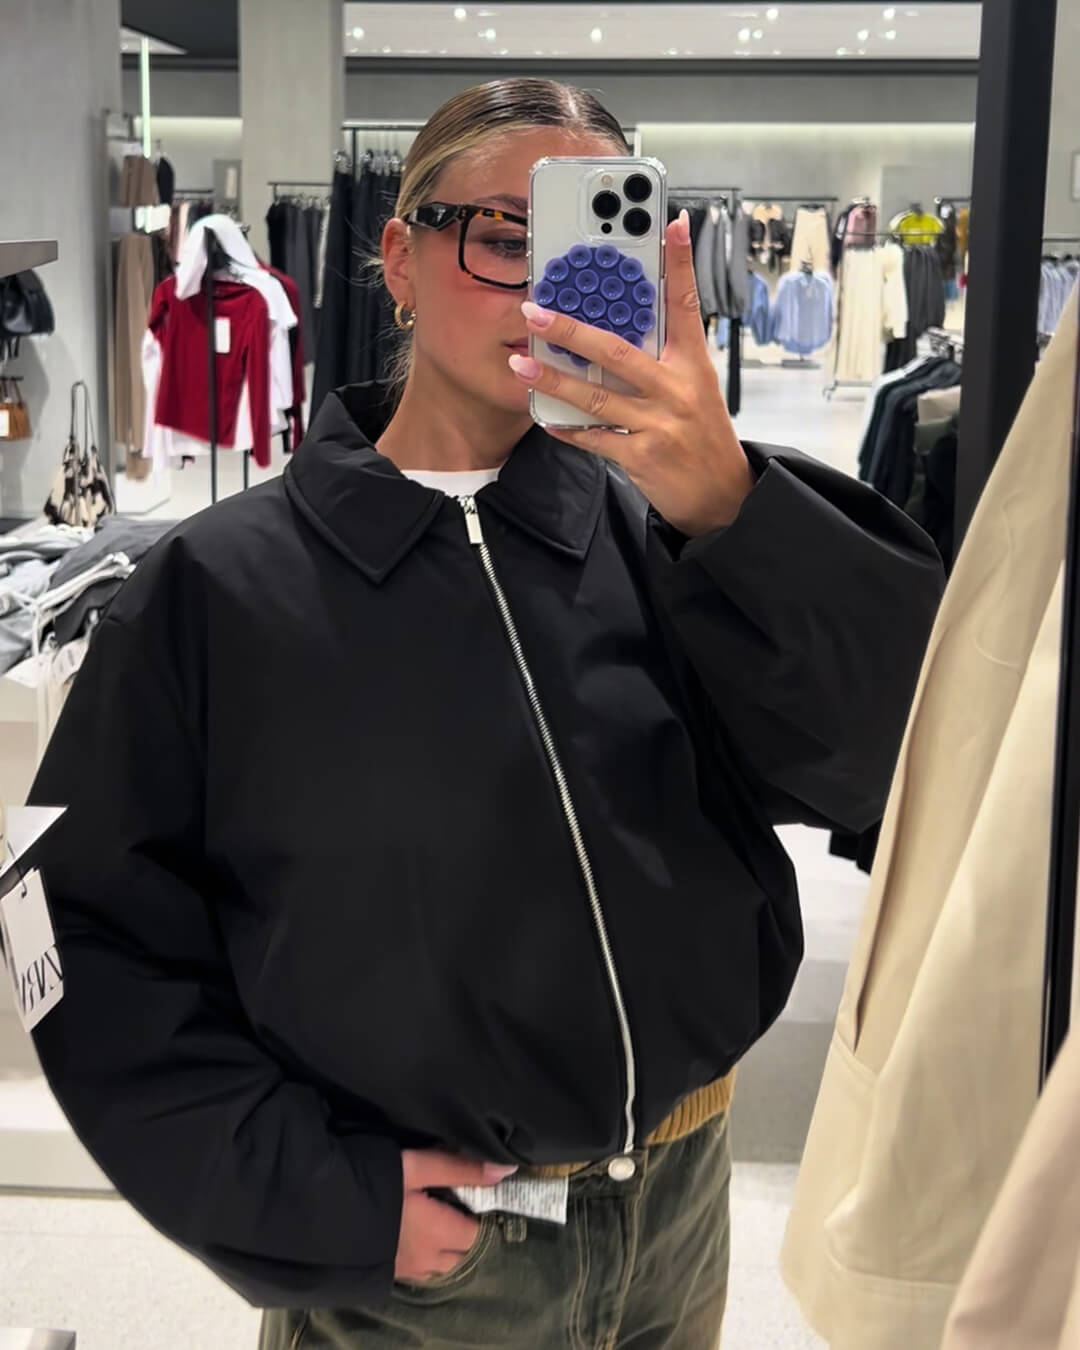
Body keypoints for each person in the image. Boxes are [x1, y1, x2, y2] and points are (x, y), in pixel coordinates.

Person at [29, 78, 945, 1349]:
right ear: (400, 260)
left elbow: (885, 771)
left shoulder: (668, 537)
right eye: (504, 236)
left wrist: (734, 509)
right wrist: (313, 1197)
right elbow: (74, 933)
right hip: (426, 1267)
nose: (542, 291)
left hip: (683, 1208)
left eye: (585, 244)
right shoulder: (221, 589)